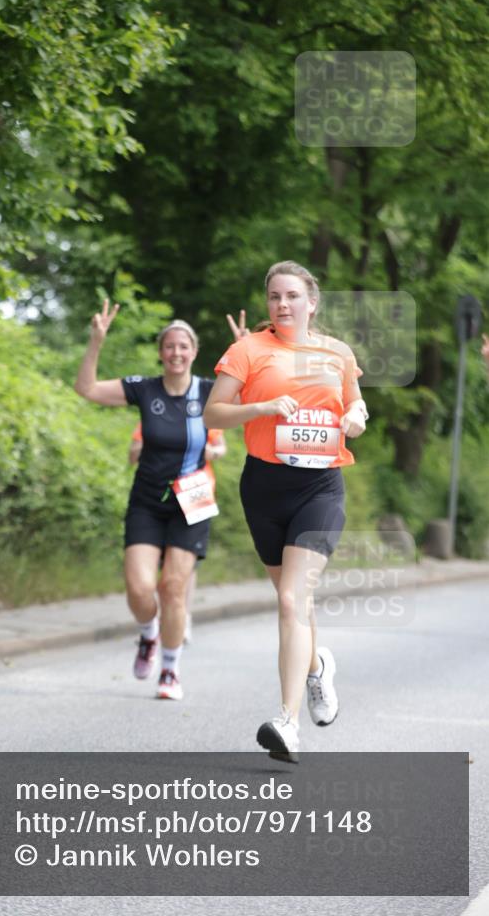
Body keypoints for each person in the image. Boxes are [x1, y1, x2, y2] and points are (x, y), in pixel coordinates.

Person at [204, 261, 368, 761]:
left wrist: (354, 418)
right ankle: (317, 667)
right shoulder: (248, 350)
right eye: (275, 296)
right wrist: (261, 407)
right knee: (292, 599)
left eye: (292, 296)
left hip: (319, 488)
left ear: (311, 302)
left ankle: (288, 721)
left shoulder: (336, 352)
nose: (282, 304)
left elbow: (356, 407)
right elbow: (213, 412)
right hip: (264, 488)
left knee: (292, 601)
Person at [74, 303, 217, 701]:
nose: (176, 353)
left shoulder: (209, 391)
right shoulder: (145, 388)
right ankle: (148, 635)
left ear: (194, 351)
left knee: (173, 587)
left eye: (183, 347)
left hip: (194, 497)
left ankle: (170, 670)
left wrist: (247, 353)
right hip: (147, 499)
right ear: (161, 352)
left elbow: (258, 398)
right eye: (169, 346)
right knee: (140, 590)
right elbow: (86, 389)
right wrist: (95, 342)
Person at [128, 422, 226, 643]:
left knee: (187, 563)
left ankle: (183, 619)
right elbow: (134, 451)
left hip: (197, 489)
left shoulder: (202, 412)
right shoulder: (156, 413)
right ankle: (157, 620)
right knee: (154, 559)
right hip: (158, 491)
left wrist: (212, 452)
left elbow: (221, 447)